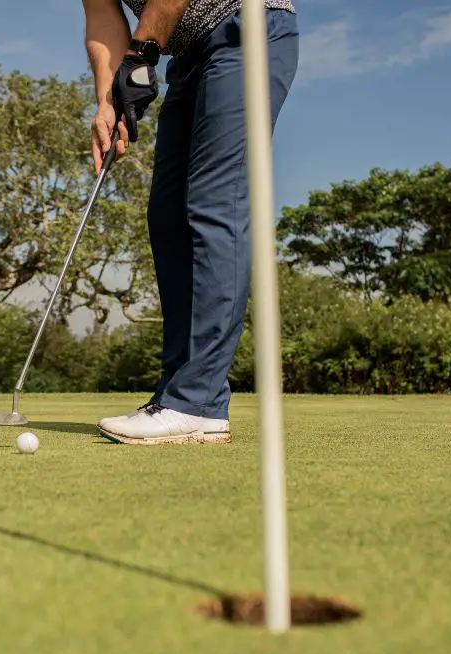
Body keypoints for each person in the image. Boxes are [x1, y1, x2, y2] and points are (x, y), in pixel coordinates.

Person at [81, 0, 298, 444]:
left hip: (247, 25)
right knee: (167, 215)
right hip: (191, 52)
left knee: (213, 205)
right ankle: (174, 393)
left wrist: (140, 56)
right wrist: (109, 101)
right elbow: (103, 19)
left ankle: (197, 401)